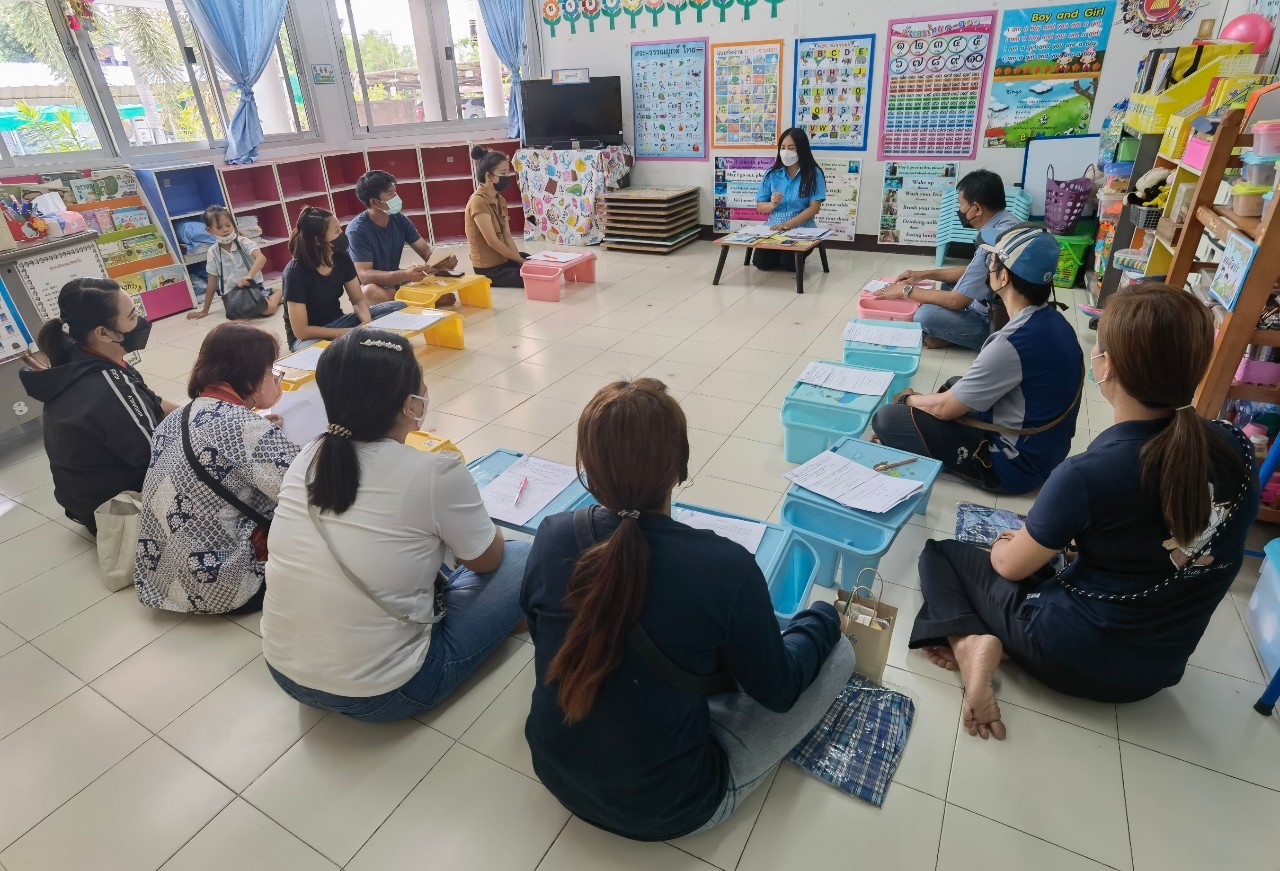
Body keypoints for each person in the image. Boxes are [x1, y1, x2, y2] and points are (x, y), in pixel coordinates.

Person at [910, 283, 1258, 740]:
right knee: (1058, 559)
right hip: (1154, 676)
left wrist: (1005, 546)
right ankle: (1000, 643)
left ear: (1105, 366)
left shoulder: (1088, 474)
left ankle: (971, 643)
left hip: (1070, 656)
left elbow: (1010, 568)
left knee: (940, 555)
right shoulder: (1237, 448)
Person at [521, 379, 854, 841]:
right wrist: (823, 618)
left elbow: (542, 634)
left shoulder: (552, 534)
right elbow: (777, 691)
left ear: (589, 470)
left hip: (555, 772)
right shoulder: (725, 567)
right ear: (679, 466)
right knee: (840, 654)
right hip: (670, 807)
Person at [261, 329, 530, 721]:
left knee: (413, 546)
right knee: (522, 554)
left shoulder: (310, 455)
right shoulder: (434, 471)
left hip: (283, 672)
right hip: (386, 693)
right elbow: (487, 561)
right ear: (410, 404)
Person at [870, 225, 1081, 495]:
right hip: (1045, 450)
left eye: (992, 261)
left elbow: (944, 409)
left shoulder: (1010, 342)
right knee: (953, 384)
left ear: (1003, 277)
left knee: (888, 418)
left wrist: (907, 400)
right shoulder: (1055, 321)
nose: (987, 266)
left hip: (1015, 467)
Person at [135, 323, 299, 615]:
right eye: (270, 370)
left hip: (163, 581)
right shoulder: (244, 428)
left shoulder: (177, 416)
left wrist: (256, 432)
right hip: (224, 588)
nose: (275, 378)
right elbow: (304, 488)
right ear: (250, 376)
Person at [19, 278, 175, 535]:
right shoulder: (108, 386)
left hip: (86, 500)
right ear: (103, 333)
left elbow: (150, 400)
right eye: (132, 316)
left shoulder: (81, 358)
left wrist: (201, 410)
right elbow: (158, 459)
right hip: (118, 511)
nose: (141, 320)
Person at [870, 169, 1020, 350]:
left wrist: (904, 290)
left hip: (998, 324)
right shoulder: (1010, 223)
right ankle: (951, 335)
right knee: (949, 282)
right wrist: (924, 274)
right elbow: (976, 272)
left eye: (961, 204)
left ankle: (966, 337)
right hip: (1004, 307)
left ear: (977, 209)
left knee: (925, 315)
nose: (960, 210)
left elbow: (955, 301)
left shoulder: (992, 243)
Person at [281, 206, 406, 352]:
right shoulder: (295, 273)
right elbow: (301, 331)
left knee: (398, 307)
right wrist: (349, 333)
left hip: (339, 322)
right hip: (309, 337)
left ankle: (350, 345)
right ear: (317, 239)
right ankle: (349, 347)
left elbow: (358, 300)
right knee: (320, 352)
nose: (341, 233)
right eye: (336, 231)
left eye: (339, 228)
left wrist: (367, 325)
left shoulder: (341, 257)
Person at [345, 170, 458, 303]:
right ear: (374, 202)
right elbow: (365, 276)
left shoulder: (399, 219)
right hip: (373, 286)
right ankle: (421, 299)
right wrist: (404, 274)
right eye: (390, 194)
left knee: (437, 269)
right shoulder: (357, 231)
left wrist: (442, 261)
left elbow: (425, 251)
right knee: (368, 292)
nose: (396, 197)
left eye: (395, 192)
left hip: (395, 280)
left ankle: (411, 299)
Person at [752, 128, 826, 272]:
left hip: (802, 227)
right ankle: (780, 253)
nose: (786, 152)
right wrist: (772, 204)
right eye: (783, 147)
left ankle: (789, 255)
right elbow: (760, 206)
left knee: (789, 264)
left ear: (801, 149)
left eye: (791, 148)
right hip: (774, 228)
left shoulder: (814, 173)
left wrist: (788, 224)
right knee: (761, 262)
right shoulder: (771, 174)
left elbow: (814, 208)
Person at [187, 205, 278, 320]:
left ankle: (277, 293)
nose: (225, 229)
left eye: (228, 225)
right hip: (232, 294)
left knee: (266, 310)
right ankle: (268, 296)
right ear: (209, 230)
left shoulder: (243, 242)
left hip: (252, 287)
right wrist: (205, 311)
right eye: (219, 227)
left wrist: (249, 276)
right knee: (237, 315)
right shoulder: (213, 252)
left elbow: (261, 258)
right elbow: (212, 283)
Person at [465, 146, 527, 288]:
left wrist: (520, 261)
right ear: (489, 176)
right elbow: (492, 241)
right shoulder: (478, 202)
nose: (507, 177)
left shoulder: (500, 200)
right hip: (488, 270)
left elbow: (507, 236)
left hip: (503, 261)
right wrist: (520, 261)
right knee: (529, 277)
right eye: (503, 173)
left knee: (531, 260)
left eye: (507, 172)